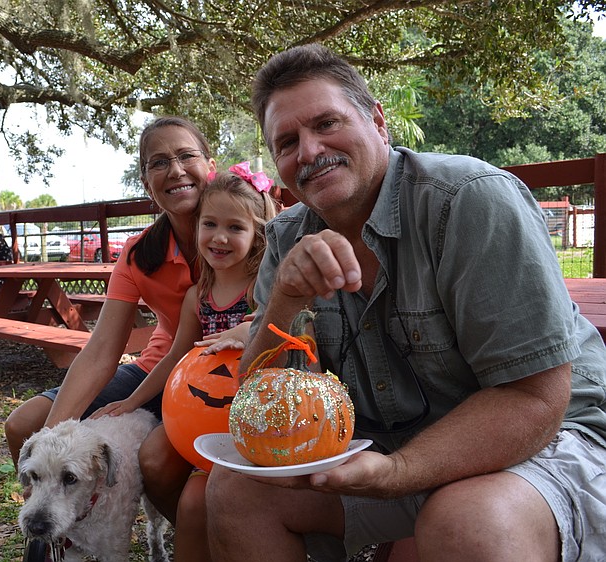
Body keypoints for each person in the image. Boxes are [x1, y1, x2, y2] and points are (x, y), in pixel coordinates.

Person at [206, 44, 606, 562]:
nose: (309, 150)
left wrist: (399, 472)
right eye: (287, 142)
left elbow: (535, 399)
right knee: (236, 492)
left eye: (327, 123)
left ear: (378, 121)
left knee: (465, 522)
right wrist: (285, 298)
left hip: (550, 437)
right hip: (390, 447)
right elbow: (257, 401)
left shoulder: (468, 199)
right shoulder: (284, 238)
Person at [3, 116, 216, 561]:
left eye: (186, 156)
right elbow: (102, 350)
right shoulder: (140, 254)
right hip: (155, 371)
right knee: (24, 425)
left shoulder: (247, 228)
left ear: (210, 165)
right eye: (159, 162)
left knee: (156, 460)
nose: (175, 170)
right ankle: (54, 530)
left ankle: (204, 541)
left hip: (218, 376)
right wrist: (53, 435)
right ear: (146, 181)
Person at [90, 164, 278, 561]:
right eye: (210, 224)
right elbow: (176, 356)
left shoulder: (263, 287)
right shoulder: (199, 295)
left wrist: (245, 330)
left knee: (199, 502)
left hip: (252, 415)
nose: (220, 237)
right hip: (200, 415)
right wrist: (132, 401)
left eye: (235, 228)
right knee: (171, 479)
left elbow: (278, 326)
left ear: (257, 235)